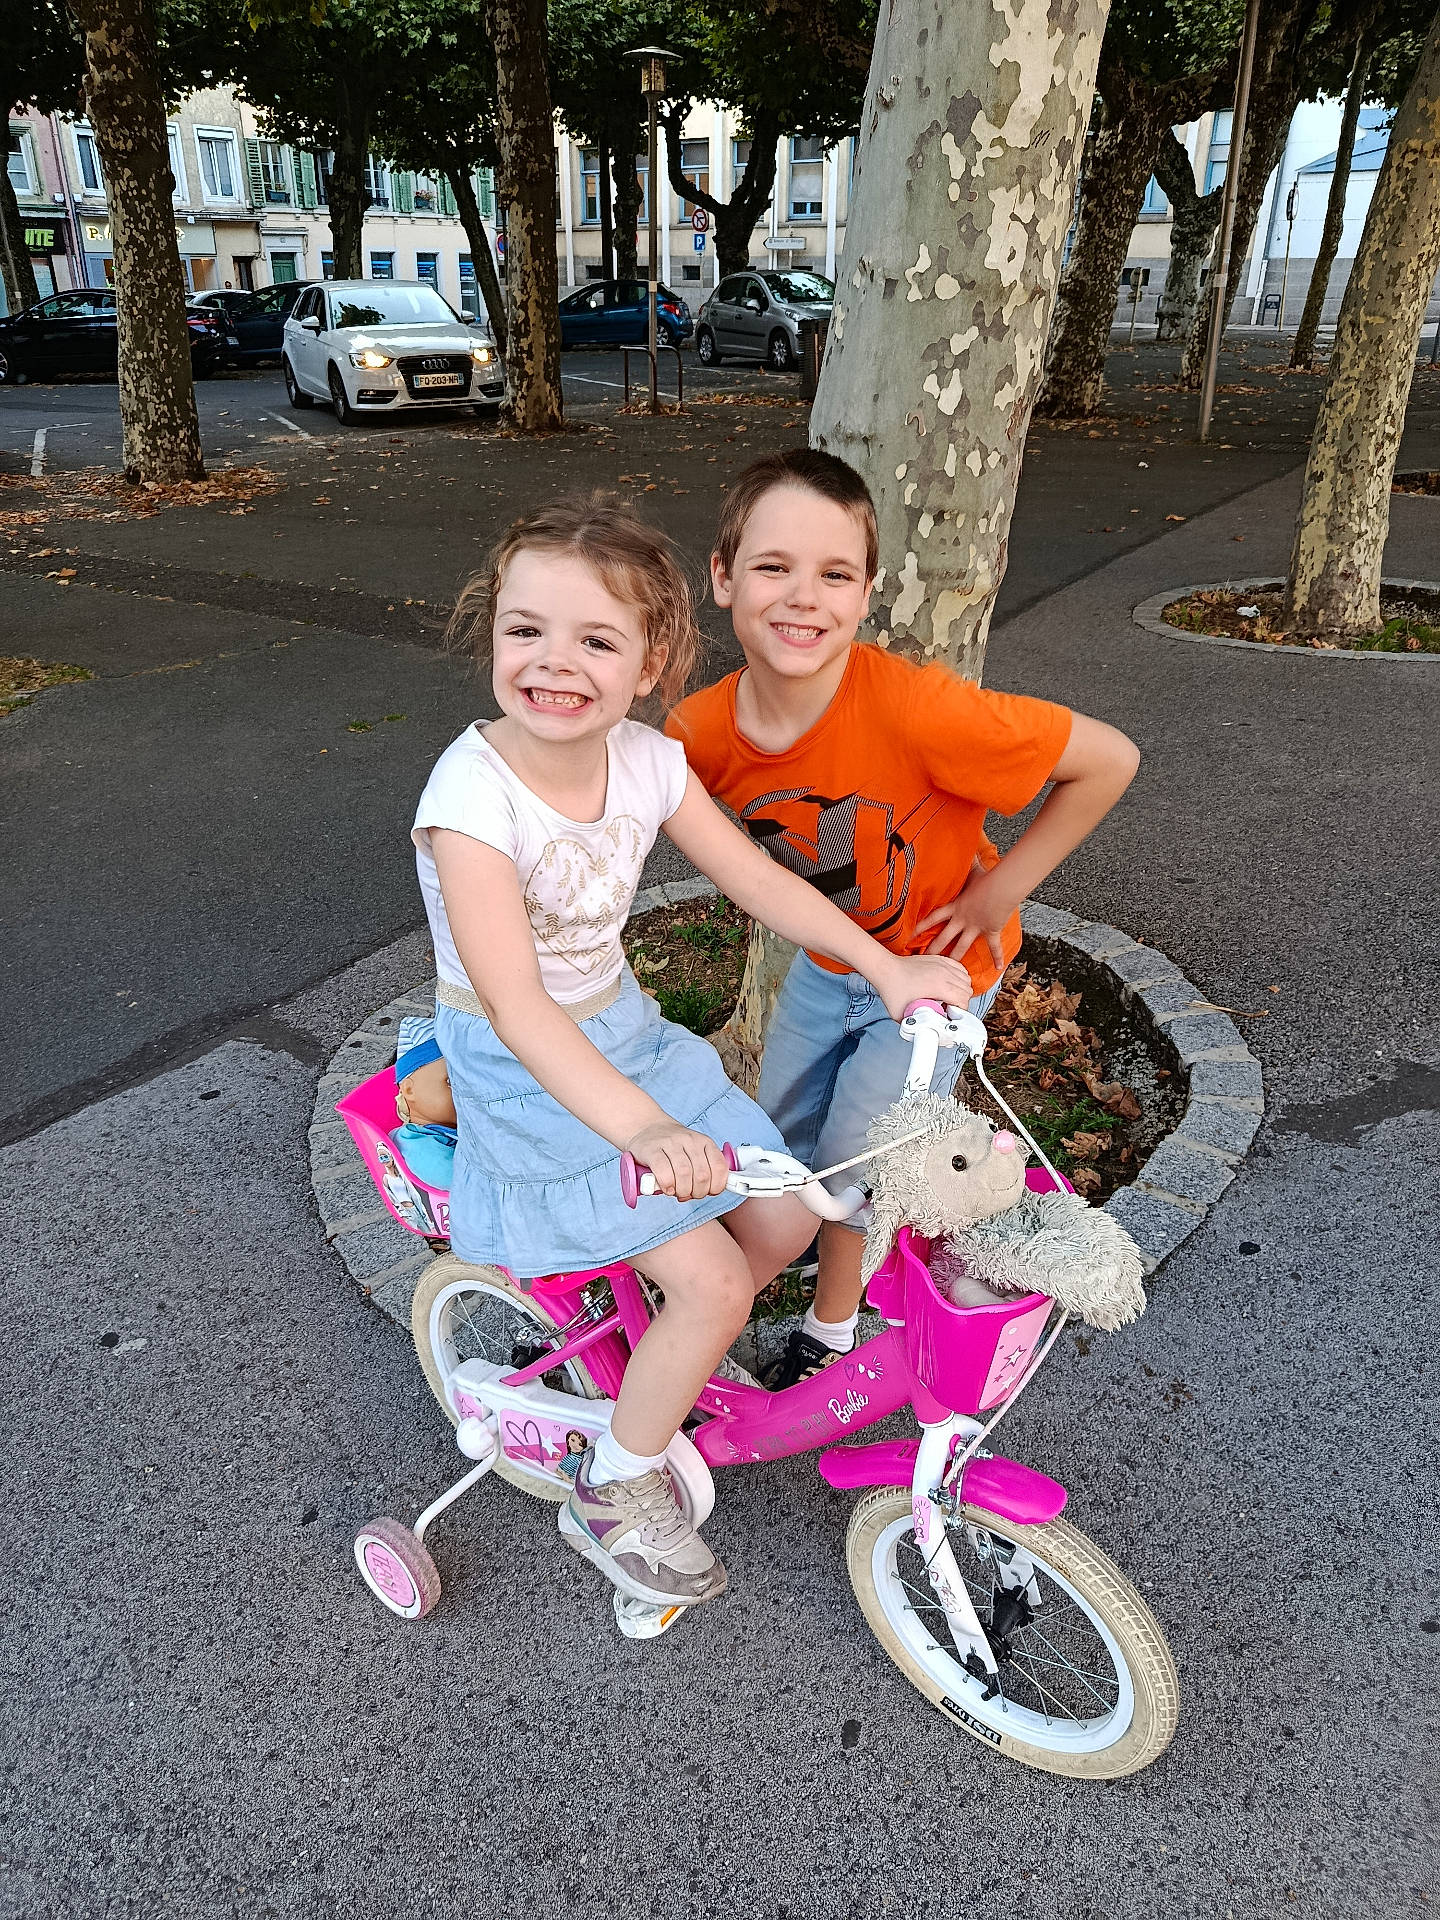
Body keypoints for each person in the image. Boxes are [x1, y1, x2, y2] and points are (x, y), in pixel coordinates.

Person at [412, 497, 972, 1610]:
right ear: (491, 634)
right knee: (717, 1276)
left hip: (622, 1032)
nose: (555, 665)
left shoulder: (647, 758)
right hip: (527, 1070)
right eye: (526, 631)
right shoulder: (471, 802)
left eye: (597, 641)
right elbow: (519, 1007)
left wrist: (888, 967)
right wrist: (646, 1130)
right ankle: (614, 1489)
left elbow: (758, 879)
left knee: (790, 1213)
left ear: (651, 659)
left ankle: (670, 1346)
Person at [667, 448, 1141, 1390]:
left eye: (835, 574)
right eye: (773, 567)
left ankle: (830, 1325)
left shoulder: (920, 710)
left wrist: (1000, 893)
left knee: (857, 1160)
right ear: (722, 577)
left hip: (938, 977)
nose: (804, 597)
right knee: (776, 1139)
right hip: (833, 969)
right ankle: (727, 1289)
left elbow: (1110, 760)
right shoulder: (699, 733)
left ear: (867, 591)